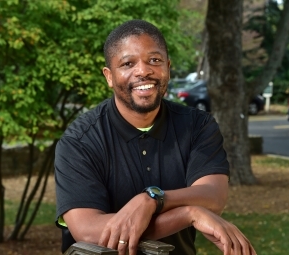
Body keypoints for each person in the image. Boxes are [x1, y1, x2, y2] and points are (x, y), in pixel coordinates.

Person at [55, 19, 256, 255]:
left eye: (154, 60)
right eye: (128, 63)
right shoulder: (80, 141)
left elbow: (213, 196)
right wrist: (189, 213)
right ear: (109, 76)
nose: (143, 71)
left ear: (168, 68)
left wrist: (152, 200)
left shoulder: (198, 126)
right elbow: (88, 231)